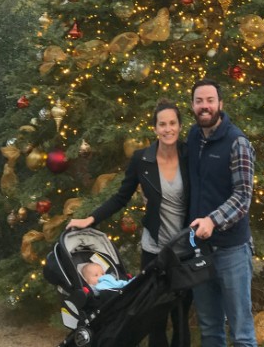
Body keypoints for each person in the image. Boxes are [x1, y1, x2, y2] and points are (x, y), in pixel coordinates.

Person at [67, 99, 190, 347]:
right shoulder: (142, 159)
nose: (168, 129)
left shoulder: (189, 155)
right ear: (155, 128)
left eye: (172, 123)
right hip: (154, 251)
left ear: (179, 126)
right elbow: (121, 197)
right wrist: (90, 219)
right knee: (154, 319)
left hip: (184, 251)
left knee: (181, 317)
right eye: (162, 124)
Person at [188, 79, 257, 347]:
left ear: (220, 104)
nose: (204, 106)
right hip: (200, 252)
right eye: (199, 101)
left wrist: (212, 220)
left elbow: (243, 197)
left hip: (232, 252)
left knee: (242, 333)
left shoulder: (237, 142)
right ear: (192, 105)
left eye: (210, 100)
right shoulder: (193, 137)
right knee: (210, 330)